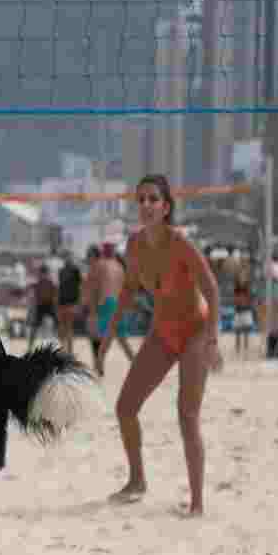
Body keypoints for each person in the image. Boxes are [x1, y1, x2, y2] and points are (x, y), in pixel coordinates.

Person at [103, 174, 221, 517]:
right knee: (125, 407)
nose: (146, 205)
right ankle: (137, 481)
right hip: (163, 332)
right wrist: (108, 336)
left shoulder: (180, 241)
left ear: (166, 207)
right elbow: (128, 291)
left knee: (187, 415)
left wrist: (212, 338)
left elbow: (211, 289)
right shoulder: (135, 245)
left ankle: (197, 503)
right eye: (140, 199)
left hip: (196, 332)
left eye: (153, 199)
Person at [91, 242, 136, 377]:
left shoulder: (100, 264)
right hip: (118, 303)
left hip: (106, 302)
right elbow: (126, 288)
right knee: (120, 337)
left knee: (102, 336)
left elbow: (94, 286)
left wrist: (93, 307)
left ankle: (99, 366)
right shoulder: (120, 266)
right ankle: (134, 363)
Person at [56, 251, 83, 356]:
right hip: (66, 301)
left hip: (69, 302)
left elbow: (79, 286)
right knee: (66, 327)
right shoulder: (64, 271)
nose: (68, 260)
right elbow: (79, 286)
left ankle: (67, 350)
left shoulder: (68, 271)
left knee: (66, 326)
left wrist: (79, 301)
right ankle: (66, 350)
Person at [26, 264, 58, 348]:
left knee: (56, 325)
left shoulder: (50, 282)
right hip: (40, 306)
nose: (42, 275)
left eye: (43, 273)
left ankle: (58, 343)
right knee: (34, 327)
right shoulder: (37, 283)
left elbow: (55, 294)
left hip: (49, 305)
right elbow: (32, 294)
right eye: (41, 273)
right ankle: (30, 346)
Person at [233, 266, 254, 356]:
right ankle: (238, 348)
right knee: (237, 331)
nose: (242, 277)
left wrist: (246, 303)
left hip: (245, 310)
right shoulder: (237, 288)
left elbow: (249, 299)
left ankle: (245, 348)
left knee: (246, 331)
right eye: (241, 276)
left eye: (244, 276)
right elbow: (236, 299)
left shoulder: (248, 287)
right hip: (239, 311)